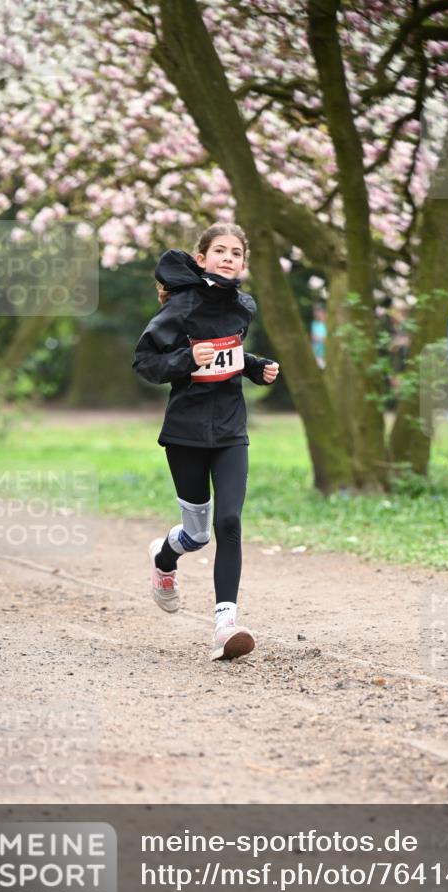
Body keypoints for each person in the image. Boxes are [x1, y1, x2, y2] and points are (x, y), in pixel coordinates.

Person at [133, 222, 279, 662]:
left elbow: (228, 352)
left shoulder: (243, 306)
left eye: (237, 252)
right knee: (196, 534)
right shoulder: (181, 306)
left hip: (231, 429)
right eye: (220, 250)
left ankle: (224, 625)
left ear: (244, 263)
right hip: (186, 432)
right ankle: (164, 555)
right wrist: (184, 359)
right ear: (202, 258)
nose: (229, 257)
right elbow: (145, 361)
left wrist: (254, 366)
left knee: (229, 521)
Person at [310, 304, 327, 369]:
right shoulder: (314, 323)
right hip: (316, 347)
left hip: (324, 348)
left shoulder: (326, 324)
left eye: (319, 312)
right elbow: (313, 336)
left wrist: (321, 339)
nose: (317, 314)